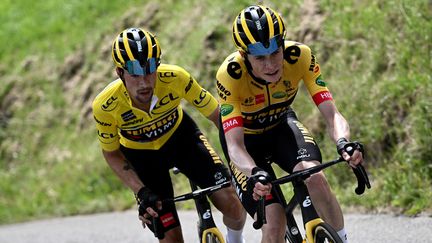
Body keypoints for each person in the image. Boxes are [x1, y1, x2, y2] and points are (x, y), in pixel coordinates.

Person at [215, 5, 364, 243]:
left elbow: (331, 113)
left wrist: (344, 142)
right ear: (244, 56)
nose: (271, 65)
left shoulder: (300, 55)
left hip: (282, 126)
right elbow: (234, 145)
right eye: (260, 58)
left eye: (275, 53)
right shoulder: (230, 74)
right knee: (273, 224)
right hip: (246, 144)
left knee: (315, 176)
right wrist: (254, 173)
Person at [92, 27, 246, 243]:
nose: (145, 82)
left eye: (151, 70)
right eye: (135, 74)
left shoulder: (175, 77)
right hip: (141, 157)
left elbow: (218, 116)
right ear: (120, 73)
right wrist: (141, 191)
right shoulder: (105, 105)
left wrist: (243, 156)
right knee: (171, 239)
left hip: (182, 140)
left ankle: (236, 240)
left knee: (234, 205)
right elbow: (112, 153)